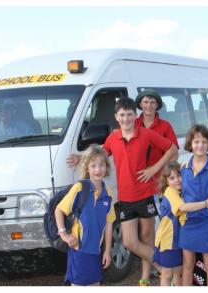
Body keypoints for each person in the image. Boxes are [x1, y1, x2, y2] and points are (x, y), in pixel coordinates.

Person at [67, 97, 178, 286]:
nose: (126, 119)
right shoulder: (113, 138)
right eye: (122, 115)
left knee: (147, 239)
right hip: (126, 197)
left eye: (129, 115)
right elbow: (100, 153)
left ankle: (145, 278)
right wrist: (80, 157)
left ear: (135, 116)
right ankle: (165, 269)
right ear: (116, 117)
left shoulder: (146, 134)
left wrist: (154, 169)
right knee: (130, 242)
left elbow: (172, 149)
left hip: (146, 194)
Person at [54, 144, 114, 286]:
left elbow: (109, 223)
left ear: (107, 168)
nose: (98, 170)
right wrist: (64, 235)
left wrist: (107, 251)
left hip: (96, 252)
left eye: (101, 165)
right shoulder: (80, 188)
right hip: (79, 250)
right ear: (87, 168)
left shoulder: (109, 193)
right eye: (93, 166)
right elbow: (59, 210)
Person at [154, 161, 208, 286]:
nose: (177, 180)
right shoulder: (170, 192)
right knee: (167, 274)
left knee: (178, 272)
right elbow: (183, 207)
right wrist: (205, 204)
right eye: (172, 178)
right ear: (166, 181)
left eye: (179, 176)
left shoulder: (182, 191)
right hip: (168, 240)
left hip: (179, 239)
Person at [179, 124, 208, 286]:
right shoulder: (183, 169)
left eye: (204, 142)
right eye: (196, 142)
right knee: (187, 263)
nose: (200, 145)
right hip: (188, 224)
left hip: (207, 224)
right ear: (190, 144)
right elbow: (178, 196)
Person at [135, 89, 179, 170]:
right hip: (138, 176)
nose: (149, 105)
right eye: (146, 102)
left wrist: (167, 172)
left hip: (159, 178)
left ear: (156, 105)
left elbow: (175, 154)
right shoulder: (133, 124)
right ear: (140, 104)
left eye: (152, 102)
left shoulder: (166, 126)